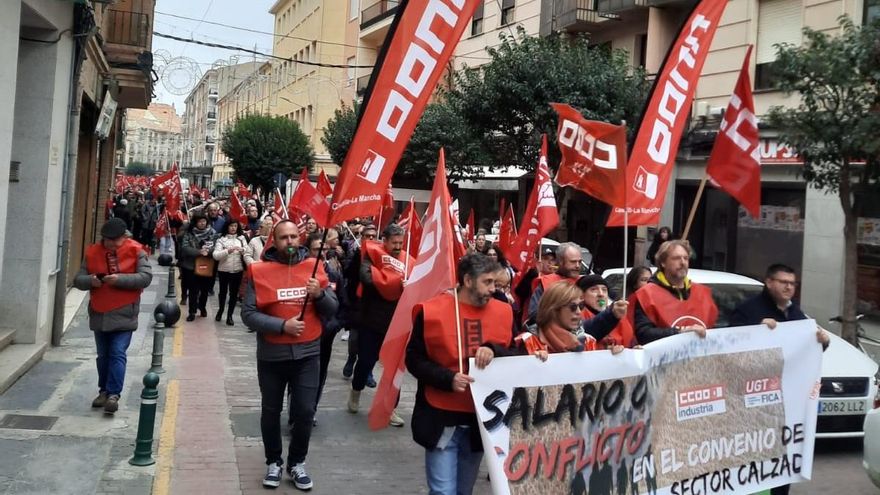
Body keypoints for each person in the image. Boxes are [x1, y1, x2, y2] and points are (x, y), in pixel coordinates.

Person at [241, 220, 338, 490]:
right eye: (284, 237)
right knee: (271, 411)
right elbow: (248, 315)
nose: (290, 241)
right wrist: (282, 326)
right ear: (275, 240)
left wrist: (319, 295)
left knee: (305, 411)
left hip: (308, 355)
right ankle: (274, 461)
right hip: (272, 356)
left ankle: (297, 463)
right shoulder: (258, 271)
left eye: (295, 236)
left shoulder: (315, 267)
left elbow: (332, 309)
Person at [406, 254, 513, 495]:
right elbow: (413, 359)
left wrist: (493, 349)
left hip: (481, 419)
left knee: (464, 491)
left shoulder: (504, 311)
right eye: (487, 282)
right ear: (467, 280)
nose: (493, 289)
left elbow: (515, 352)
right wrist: (447, 378)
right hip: (441, 416)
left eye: (495, 283)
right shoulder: (431, 311)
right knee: (443, 492)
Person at [729, 264, 829, 495]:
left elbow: (805, 349)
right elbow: (731, 346)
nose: (788, 287)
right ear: (769, 282)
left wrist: (822, 341)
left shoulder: (796, 313)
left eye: (792, 283)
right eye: (783, 282)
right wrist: (756, 330)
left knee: (782, 461)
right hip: (753, 403)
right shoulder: (748, 310)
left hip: (786, 405)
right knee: (755, 462)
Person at [73, 218, 153, 414]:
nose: (110, 244)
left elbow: (145, 277)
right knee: (103, 356)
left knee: (117, 352)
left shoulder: (137, 250)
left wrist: (119, 280)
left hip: (125, 311)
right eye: (107, 240)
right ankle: (103, 391)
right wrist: (91, 281)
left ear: (124, 237)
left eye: (115, 240)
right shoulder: (92, 252)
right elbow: (78, 280)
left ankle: (113, 395)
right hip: (99, 311)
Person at [348, 223, 413, 427]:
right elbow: (366, 277)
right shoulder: (371, 255)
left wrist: (409, 285)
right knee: (366, 361)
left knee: (394, 368)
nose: (397, 246)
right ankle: (356, 391)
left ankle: (390, 408)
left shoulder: (409, 260)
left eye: (400, 243)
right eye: (394, 242)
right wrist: (394, 281)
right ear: (384, 241)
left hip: (397, 323)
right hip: (372, 320)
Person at [629, 240, 718, 344]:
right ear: (663, 263)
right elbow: (643, 334)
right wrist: (679, 332)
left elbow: (714, 330)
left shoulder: (703, 294)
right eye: (676, 258)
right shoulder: (646, 295)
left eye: (686, 258)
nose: (683, 262)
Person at [341, 224, 377, 388]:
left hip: (374, 306)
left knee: (371, 343)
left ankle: (367, 371)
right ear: (362, 238)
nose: (370, 239)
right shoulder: (356, 253)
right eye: (367, 236)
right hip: (356, 303)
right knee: (355, 338)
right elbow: (348, 274)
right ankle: (351, 358)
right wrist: (357, 258)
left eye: (373, 236)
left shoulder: (381, 256)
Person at [528, 242, 584, 323]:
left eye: (580, 262)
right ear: (560, 262)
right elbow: (534, 315)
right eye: (573, 262)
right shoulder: (545, 282)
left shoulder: (585, 283)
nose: (577, 265)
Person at [576, 275, 635, 348]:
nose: (601, 294)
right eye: (594, 290)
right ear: (582, 296)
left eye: (604, 290)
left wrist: (634, 349)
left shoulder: (619, 315)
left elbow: (631, 341)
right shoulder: (577, 317)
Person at [180, 214, 217, 321]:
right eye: (200, 221)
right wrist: (198, 252)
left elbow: (216, 246)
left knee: (204, 290)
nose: (202, 223)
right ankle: (192, 311)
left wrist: (208, 251)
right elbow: (185, 248)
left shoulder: (212, 233)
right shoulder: (189, 233)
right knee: (193, 290)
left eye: (204, 221)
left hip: (206, 265)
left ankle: (202, 307)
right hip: (191, 265)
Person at [213, 220, 248, 325]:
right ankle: (220, 310)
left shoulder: (242, 239)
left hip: (237, 270)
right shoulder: (221, 240)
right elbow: (216, 255)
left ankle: (230, 315)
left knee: (233, 294)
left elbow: (248, 250)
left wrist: (242, 249)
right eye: (231, 226)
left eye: (235, 226)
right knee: (222, 293)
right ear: (227, 227)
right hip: (224, 270)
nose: (233, 228)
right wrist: (227, 251)